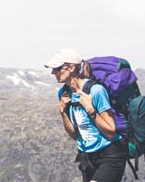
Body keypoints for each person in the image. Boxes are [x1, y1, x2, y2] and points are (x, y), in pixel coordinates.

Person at [45, 48, 127, 182]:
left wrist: (90, 110)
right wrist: (63, 113)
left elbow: (111, 131)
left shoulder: (96, 91)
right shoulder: (64, 94)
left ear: (71, 68)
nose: (53, 72)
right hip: (87, 157)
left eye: (57, 68)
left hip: (110, 154)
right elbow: (74, 135)